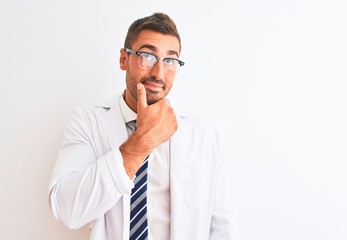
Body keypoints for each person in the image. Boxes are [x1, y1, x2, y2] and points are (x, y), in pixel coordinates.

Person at [48, 12, 237, 240]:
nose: (158, 73)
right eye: (147, 56)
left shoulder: (203, 133)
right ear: (123, 59)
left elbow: (222, 226)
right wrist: (141, 142)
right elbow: (68, 210)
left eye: (170, 60)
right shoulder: (87, 121)